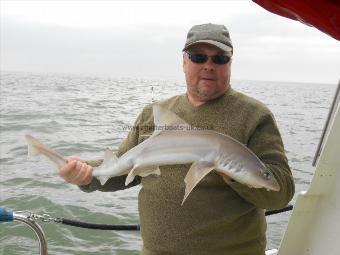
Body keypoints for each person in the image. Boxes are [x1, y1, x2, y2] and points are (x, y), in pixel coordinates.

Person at [59, 23, 295, 255]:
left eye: (219, 59)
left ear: (230, 63)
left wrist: (231, 174)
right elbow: (122, 171)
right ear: (184, 61)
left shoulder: (254, 115)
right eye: (198, 57)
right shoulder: (154, 112)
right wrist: (86, 174)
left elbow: (280, 193)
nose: (209, 66)